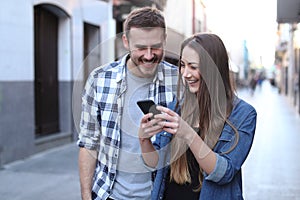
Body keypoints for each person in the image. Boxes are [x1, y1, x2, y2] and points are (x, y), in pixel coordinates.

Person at [138, 33, 257, 200]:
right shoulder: (178, 106)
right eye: (182, 65)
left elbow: (224, 173)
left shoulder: (243, 114)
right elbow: (156, 166)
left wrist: (188, 134)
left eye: (193, 67)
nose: (185, 74)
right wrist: (144, 140)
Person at [77, 7, 178, 200]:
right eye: (140, 47)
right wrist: (85, 196)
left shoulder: (178, 81)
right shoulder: (99, 79)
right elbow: (89, 144)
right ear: (126, 41)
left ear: (165, 39)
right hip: (108, 195)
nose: (149, 55)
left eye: (155, 46)